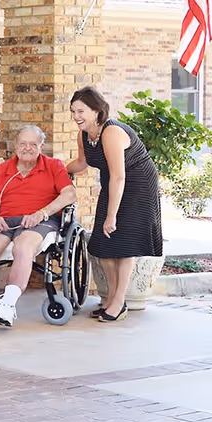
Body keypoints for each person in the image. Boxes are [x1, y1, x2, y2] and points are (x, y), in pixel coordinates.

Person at [0, 125, 77, 327]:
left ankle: (8, 306)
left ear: (41, 146)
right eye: (23, 144)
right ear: (15, 146)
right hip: (6, 220)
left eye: (33, 144)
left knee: (24, 246)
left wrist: (41, 213)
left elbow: (70, 194)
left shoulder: (54, 166)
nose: (27, 148)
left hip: (40, 220)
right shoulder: (2, 170)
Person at [66, 86, 163, 323]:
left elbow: (120, 176)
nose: (76, 116)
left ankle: (119, 303)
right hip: (114, 183)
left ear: (97, 111)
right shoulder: (85, 134)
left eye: (81, 111)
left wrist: (111, 216)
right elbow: (81, 163)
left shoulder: (111, 133)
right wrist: (52, 170)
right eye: (73, 111)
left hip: (136, 184)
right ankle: (110, 297)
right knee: (103, 244)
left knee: (124, 243)